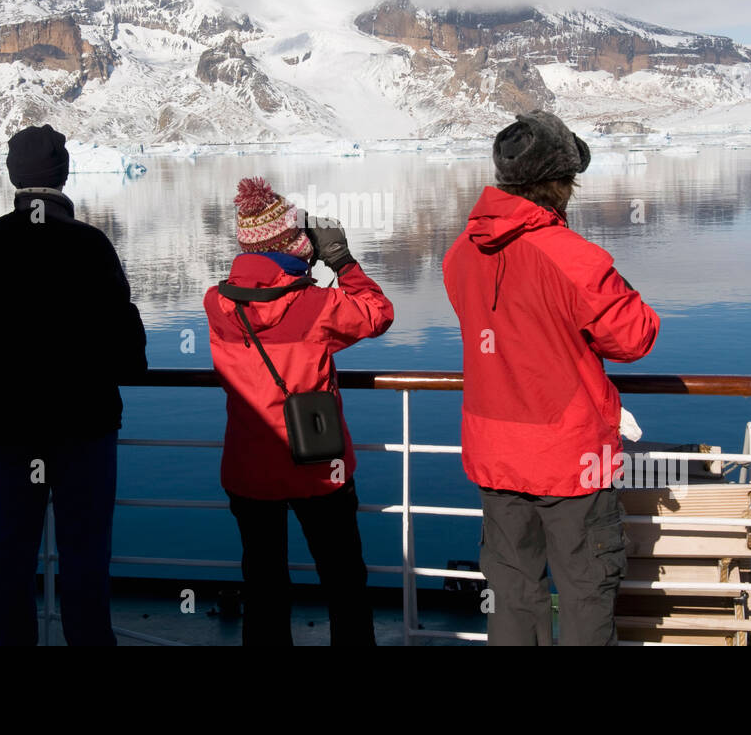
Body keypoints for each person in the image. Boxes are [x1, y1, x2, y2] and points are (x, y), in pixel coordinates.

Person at [442, 111, 660, 645]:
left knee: (513, 595)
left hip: (495, 451)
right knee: (587, 591)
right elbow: (635, 338)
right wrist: (613, 282)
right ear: (560, 184)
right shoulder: (573, 257)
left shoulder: (459, 254)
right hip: (570, 458)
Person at [0, 124, 146, 646]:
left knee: (12, 549)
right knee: (86, 552)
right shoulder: (91, 245)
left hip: (12, 426)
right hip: (86, 427)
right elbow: (128, 350)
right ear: (63, 175)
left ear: (13, 177)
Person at [204, 177, 394, 645]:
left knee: (264, 586)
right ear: (294, 243)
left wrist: (294, 261)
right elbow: (378, 311)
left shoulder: (217, 302)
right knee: (343, 580)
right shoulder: (316, 305)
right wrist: (341, 260)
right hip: (317, 466)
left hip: (249, 471)